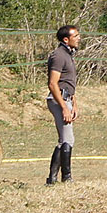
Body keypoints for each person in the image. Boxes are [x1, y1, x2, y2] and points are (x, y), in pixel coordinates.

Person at [46, 25, 80, 185]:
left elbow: (69, 83)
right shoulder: (59, 56)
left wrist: (74, 104)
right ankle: (66, 178)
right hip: (58, 99)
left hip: (66, 99)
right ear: (66, 39)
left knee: (64, 139)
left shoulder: (68, 55)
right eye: (76, 36)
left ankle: (52, 179)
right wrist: (64, 107)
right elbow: (53, 84)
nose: (79, 38)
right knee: (67, 139)